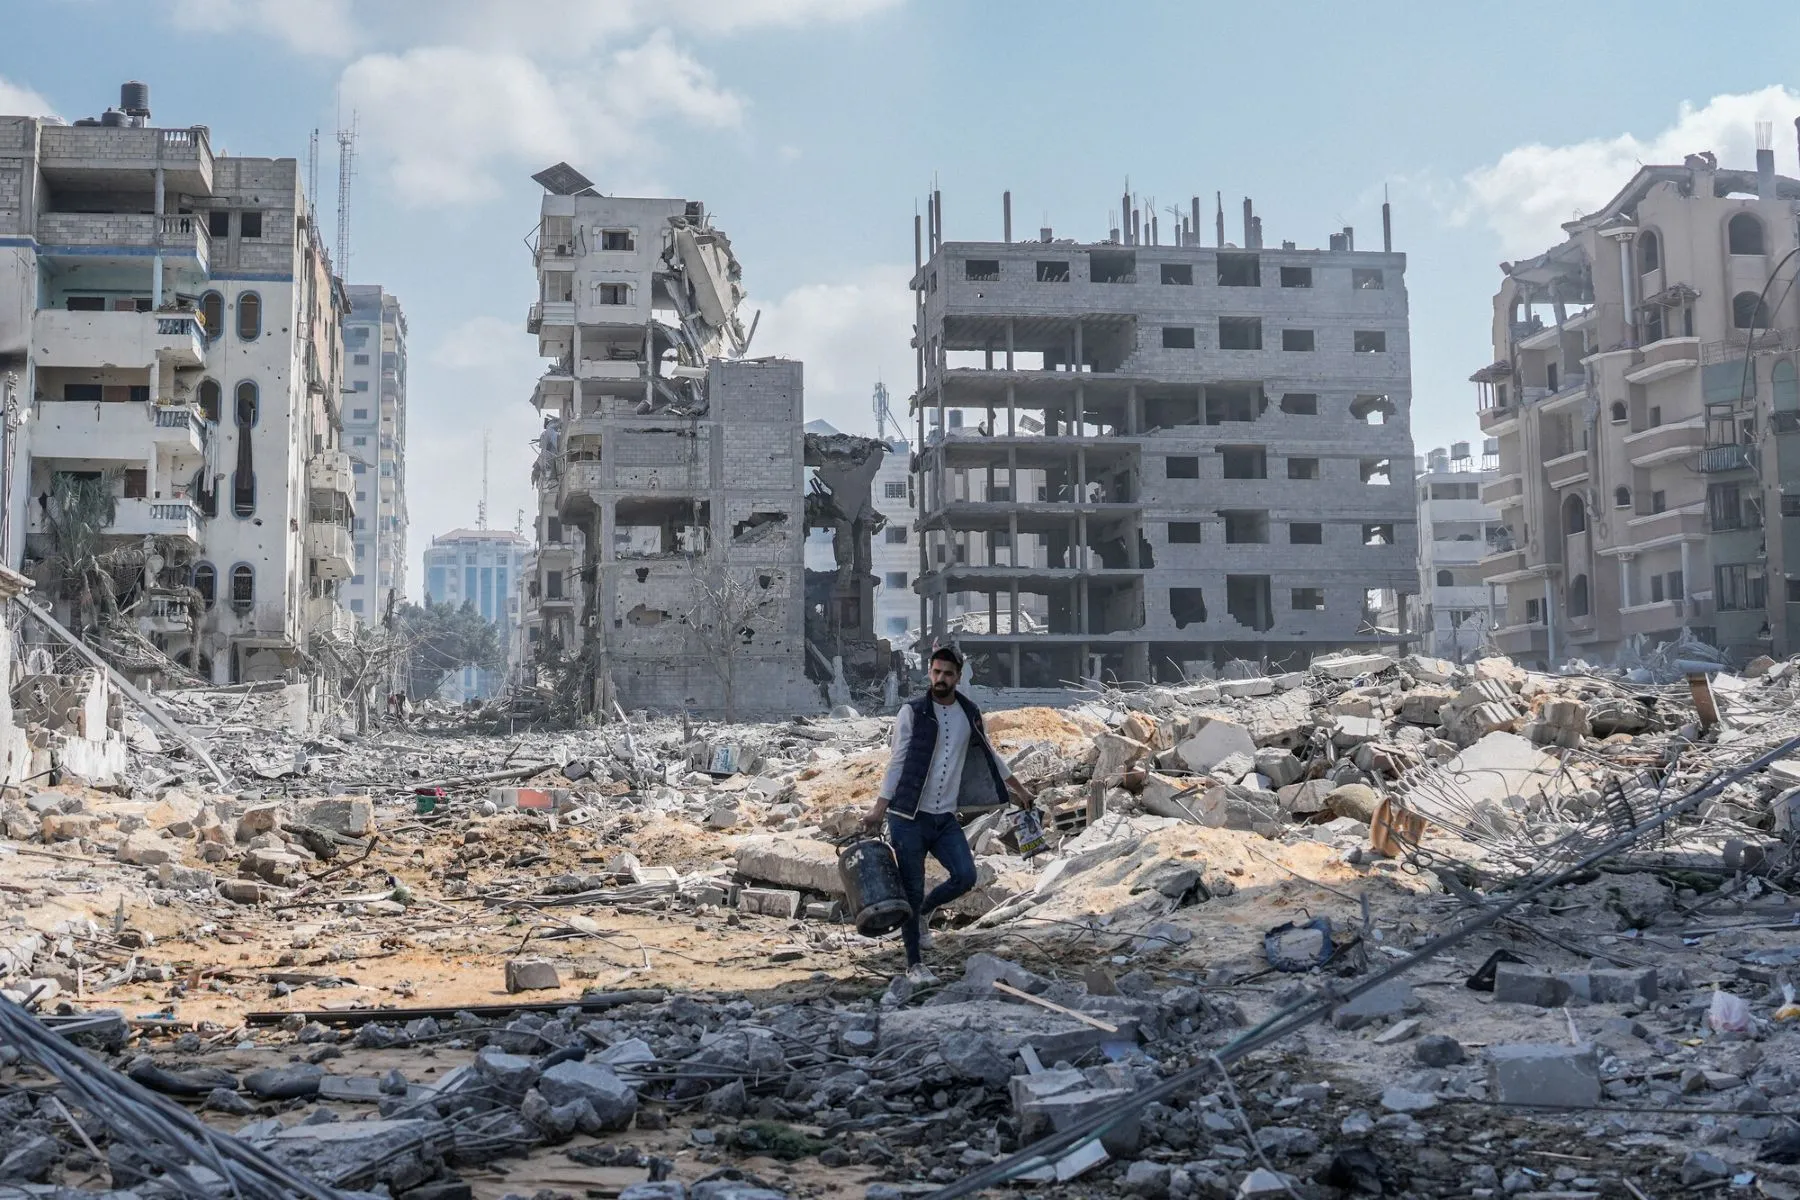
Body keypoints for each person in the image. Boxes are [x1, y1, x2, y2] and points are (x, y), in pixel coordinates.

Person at [863, 645, 1035, 984]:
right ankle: (914, 964)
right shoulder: (912, 712)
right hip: (908, 817)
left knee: (965, 876)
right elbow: (897, 762)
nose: (940, 679)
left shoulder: (968, 712)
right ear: (929, 672)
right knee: (910, 889)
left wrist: (1021, 790)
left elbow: (990, 755)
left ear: (959, 676)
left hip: (944, 819)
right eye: (936, 672)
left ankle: (925, 912)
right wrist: (878, 809)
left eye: (948, 674)